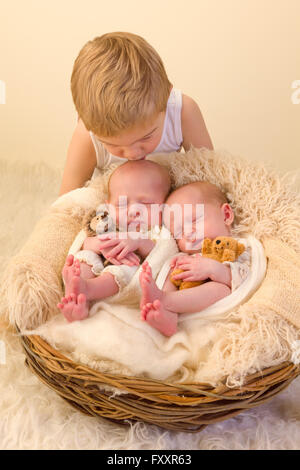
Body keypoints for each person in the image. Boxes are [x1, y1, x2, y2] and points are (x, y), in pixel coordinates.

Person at [59, 32, 213, 196]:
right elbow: (66, 203)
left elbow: (210, 179)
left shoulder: (183, 112)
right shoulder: (86, 136)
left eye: (146, 137)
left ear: (167, 98)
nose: (133, 154)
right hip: (115, 208)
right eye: (114, 145)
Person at [57, 160, 171, 322]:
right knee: (84, 257)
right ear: (108, 206)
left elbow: (164, 253)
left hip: (126, 276)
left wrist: (138, 242)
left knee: (126, 269)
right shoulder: (105, 222)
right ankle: (77, 297)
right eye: (121, 204)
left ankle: (88, 289)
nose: (133, 211)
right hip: (98, 265)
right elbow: (84, 241)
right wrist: (99, 245)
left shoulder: (157, 229)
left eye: (146, 203)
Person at [139, 181, 251, 336]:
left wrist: (213, 269)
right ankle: (166, 313)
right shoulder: (187, 256)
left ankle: (166, 301)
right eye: (179, 232)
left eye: (194, 221)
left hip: (218, 309)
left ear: (226, 215)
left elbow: (246, 278)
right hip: (186, 308)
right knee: (174, 268)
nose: (188, 234)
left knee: (221, 289)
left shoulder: (239, 246)